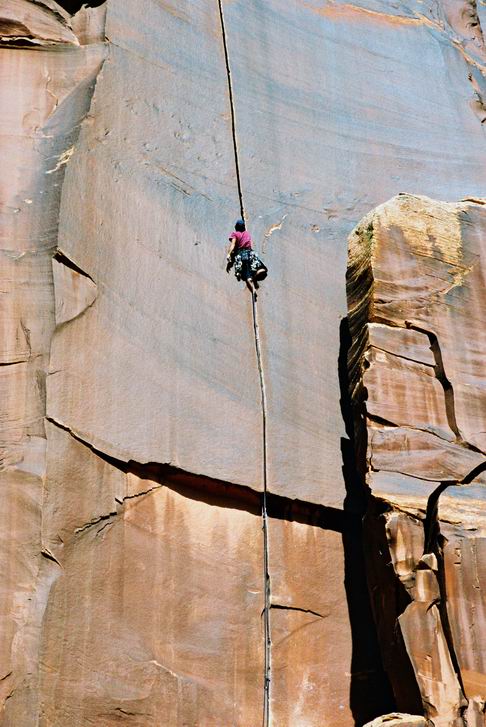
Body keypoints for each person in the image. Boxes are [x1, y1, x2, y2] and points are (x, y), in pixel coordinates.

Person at [226, 219, 268, 293]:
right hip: (250, 253)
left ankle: (252, 288)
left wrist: (229, 254)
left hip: (241, 255)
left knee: (246, 275)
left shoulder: (235, 234)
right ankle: (255, 275)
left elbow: (233, 244)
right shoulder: (247, 233)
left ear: (236, 227)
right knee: (263, 269)